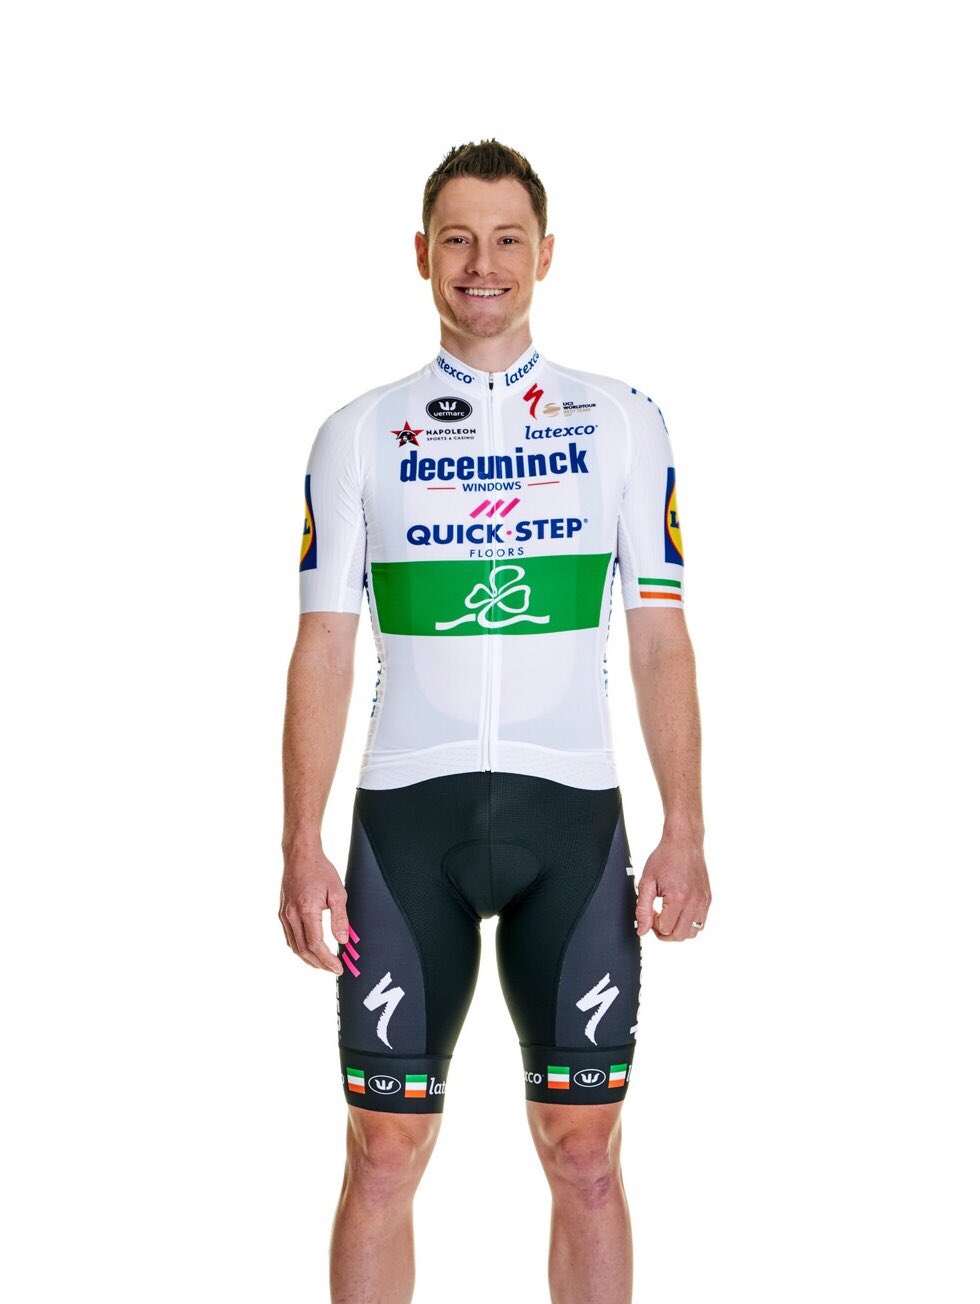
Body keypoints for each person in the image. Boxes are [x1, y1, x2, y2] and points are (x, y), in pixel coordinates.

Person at [280, 139, 711, 1303]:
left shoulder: (621, 421)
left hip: (570, 821)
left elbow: (658, 637)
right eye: (458, 240)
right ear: (421, 254)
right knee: (383, 1150)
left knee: (584, 1154)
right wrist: (300, 843)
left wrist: (683, 828)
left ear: (545, 254)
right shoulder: (357, 432)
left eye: (506, 239)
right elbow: (323, 645)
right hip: (401, 826)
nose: (483, 264)